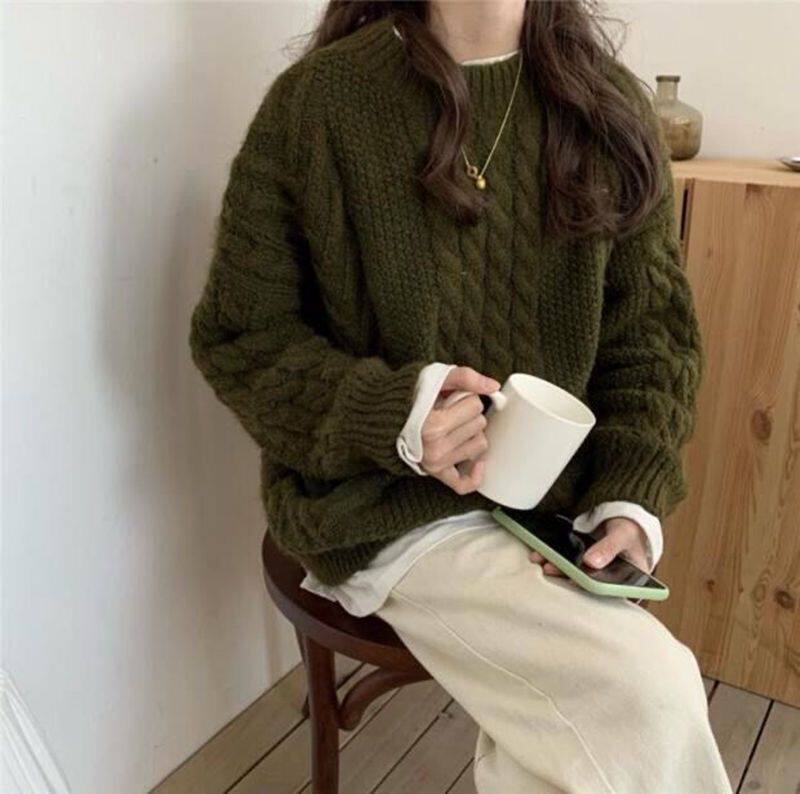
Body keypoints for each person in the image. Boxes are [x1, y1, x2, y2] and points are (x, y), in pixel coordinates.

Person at [188, 1, 731, 791]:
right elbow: (240, 337)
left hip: (559, 518)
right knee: (649, 698)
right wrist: (397, 414)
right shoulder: (319, 105)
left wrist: (630, 497)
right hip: (387, 504)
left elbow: (652, 341)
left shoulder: (610, 107)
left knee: (594, 727)